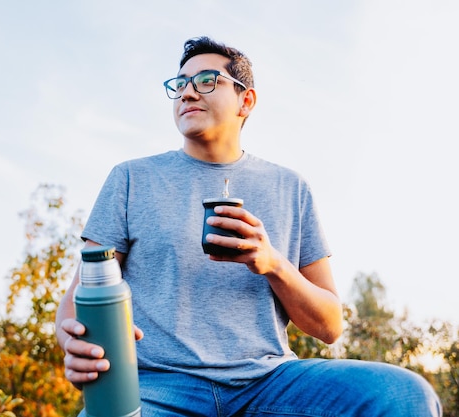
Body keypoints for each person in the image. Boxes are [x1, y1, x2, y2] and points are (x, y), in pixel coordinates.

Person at [56, 36, 441, 416]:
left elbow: (330, 325)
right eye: (179, 85)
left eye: (206, 80)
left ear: (246, 100)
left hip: (270, 383)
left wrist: (272, 263)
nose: (187, 93)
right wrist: (74, 344)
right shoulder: (131, 178)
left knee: (404, 396)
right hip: (159, 386)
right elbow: (76, 301)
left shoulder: (291, 187)